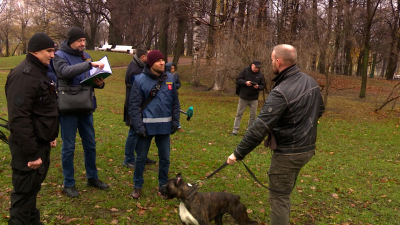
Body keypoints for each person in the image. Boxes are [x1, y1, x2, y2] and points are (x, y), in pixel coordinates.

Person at [226, 44, 325, 225]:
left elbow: (259, 129)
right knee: (284, 192)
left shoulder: (281, 91)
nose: (271, 62)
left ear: (278, 61)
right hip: (307, 150)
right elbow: (320, 110)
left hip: (289, 154)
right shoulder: (311, 82)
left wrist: (237, 154)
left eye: (272, 60)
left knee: (279, 198)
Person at [5, 32, 59, 224]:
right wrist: (31, 154)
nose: (53, 55)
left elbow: (44, 110)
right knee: (23, 196)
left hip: (40, 144)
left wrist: (50, 135)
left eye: (53, 51)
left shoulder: (39, 72)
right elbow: (19, 119)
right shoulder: (23, 75)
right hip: (29, 150)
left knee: (31, 192)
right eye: (49, 51)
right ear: (35, 51)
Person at [53, 26, 109, 198]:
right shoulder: (59, 56)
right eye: (79, 41)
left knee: (90, 144)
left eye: (84, 40)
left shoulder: (86, 57)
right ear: (71, 41)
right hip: (68, 109)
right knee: (69, 147)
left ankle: (92, 177)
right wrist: (88, 64)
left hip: (85, 107)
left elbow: (89, 79)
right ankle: (68, 183)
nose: (83, 43)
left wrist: (99, 83)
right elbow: (64, 72)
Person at [129, 50, 180, 199]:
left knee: (165, 159)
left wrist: (175, 122)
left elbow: (175, 103)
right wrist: (139, 127)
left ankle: (163, 186)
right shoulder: (139, 80)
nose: (162, 63)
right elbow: (134, 106)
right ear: (151, 63)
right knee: (141, 158)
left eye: (163, 60)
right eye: (159, 61)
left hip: (164, 127)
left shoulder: (170, 78)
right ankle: (137, 185)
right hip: (145, 128)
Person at [123, 46, 156, 169]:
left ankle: (141, 155)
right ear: (143, 57)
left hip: (141, 105)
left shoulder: (139, 66)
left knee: (140, 131)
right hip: (134, 105)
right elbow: (138, 90)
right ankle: (129, 159)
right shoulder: (134, 70)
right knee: (133, 131)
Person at [231, 60, 265, 135]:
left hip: (254, 98)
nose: (257, 69)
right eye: (256, 67)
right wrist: (245, 83)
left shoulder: (260, 75)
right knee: (239, 114)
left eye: (258, 68)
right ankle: (235, 131)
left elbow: (263, 85)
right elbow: (238, 80)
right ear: (252, 65)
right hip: (244, 97)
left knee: (253, 116)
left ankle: (249, 131)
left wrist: (258, 87)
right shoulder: (245, 70)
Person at [165, 62, 184, 132]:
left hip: (174, 93)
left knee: (176, 109)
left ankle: (178, 126)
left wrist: (175, 86)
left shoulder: (175, 75)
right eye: (171, 68)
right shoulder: (165, 75)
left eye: (174, 68)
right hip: (167, 95)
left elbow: (178, 83)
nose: (173, 69)